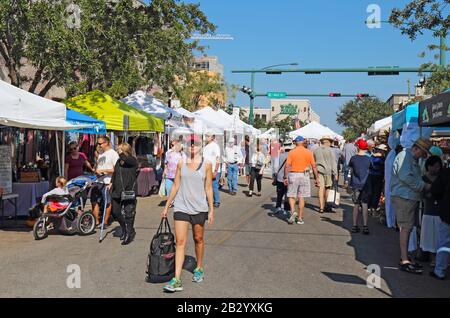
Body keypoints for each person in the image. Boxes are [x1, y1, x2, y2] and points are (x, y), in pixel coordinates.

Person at [161, 134, 214, 293]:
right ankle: (176, 279)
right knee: (180, 242)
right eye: (190, 144)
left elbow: (208, 188)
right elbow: (176, 186)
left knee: (198, 239)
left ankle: (198, 267)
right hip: (181, 207)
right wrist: (167, 206)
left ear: (201, 146)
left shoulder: (207, 164)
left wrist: (211, 210)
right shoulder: (181, 163)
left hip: (199, 208)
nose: (193, 146)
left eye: (196, 144)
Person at [391, 138, 432, 274]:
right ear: (417, 149)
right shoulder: (405, 156)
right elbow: (406, 177)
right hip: (405, 197)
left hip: (408, 196)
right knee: (406, 228)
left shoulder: (410, 158)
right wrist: (423, 186)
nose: (422, 156)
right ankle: (404, 260)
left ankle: (405, 257)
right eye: (423, 152)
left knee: (407, 228)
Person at [284, 136, 319, 225]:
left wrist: (285, 177)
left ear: (296, 142)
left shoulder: (292, 152)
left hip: (294, 174)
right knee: (301, 197)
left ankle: (292, 212)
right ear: (303, 142)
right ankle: (300, 218)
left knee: (291, 195)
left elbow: (287, 165)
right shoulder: (309, 152)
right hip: (304, 175)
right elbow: (314, 166)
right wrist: (317, 178)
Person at [110, 143, 138, 245]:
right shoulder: (118, 161)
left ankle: (129, 233)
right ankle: (124, 228)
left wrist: (121, 153)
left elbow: (126, 159)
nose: (117, 151)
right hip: (117, 190)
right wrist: (111, 183)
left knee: (129, 213)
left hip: (129, 190)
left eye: (119, 149)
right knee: (115, 212)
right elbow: (115, 173)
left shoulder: (132, 160)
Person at [91, 136, 120, 227]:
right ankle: (96, 221)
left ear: (106, 143)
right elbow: (98, 166)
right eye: (98, 144)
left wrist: (104, 171)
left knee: (107, 201)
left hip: (108, 181)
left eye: (100, 144)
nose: (99, 146)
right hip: (98, 180)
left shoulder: (113, 154)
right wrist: (96, 171)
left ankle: (105, 221)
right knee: (94, 200)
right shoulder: (101, 154)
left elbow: (117, 169)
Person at [420, 156, 443, 267]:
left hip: (440, 212)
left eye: (439, 166)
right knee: (429, 236)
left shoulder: (441, 178)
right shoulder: (423, 178)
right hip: (428, 211)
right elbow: (424, 194)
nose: (437, 168)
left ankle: (437, 258)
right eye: (435, 166)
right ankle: (430, 256)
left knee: (438, 236)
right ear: (429, 166)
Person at [430, 163, 450, 280]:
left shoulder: (446, 172)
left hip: (447, 213)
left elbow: (436, 190)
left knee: (444, 243)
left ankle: (440, 270)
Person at [349, 139, 372, 235]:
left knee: (356, 204)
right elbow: (371, 168)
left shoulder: (353, 158)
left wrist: (347, 182)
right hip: (365, 184)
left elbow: (350, 170)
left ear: (358, 147)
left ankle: (354, 225)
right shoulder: (368, 159)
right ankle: (365, 226)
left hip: (355, 183)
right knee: (365, 204)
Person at [313, 136, 338, 213]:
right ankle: (327, 205)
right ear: (328, 142)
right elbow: (333, 162)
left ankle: (321, 207)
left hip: (319, 170)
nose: (331, 143)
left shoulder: (316, 150)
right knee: (327, 188)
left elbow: (314, 162)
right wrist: (336, 173)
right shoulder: (330, 150)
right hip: (328, 172)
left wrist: (314, 175)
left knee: (320, 188)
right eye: (330, 142)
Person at [274, 141, 294, 215]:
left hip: (280, 176)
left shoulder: (280, 155)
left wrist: (275, 175)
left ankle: (278, 207)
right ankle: (286, 209)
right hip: (290, 176)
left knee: (279, 193)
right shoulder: (293, 155)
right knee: (288, 193)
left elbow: (276, 166)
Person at [367, 144, 387, 213]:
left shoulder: (372, 157)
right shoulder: (384, 159)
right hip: (379, 177)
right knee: (376, 192)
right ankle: (373, 207)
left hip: (371, 175)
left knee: (371, 191)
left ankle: (369, 206)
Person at [203, 131, 221, 208]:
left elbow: (217, 158)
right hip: (206, 169)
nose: (206, 137)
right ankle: (207, 200)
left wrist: (216, 171)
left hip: (213, 169)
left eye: (208, 136)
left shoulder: (215, 146)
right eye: (206, 136)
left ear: (212, 137)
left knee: (213, 186)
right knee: (206, 186)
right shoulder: (206, 146)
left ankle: (216, 201)